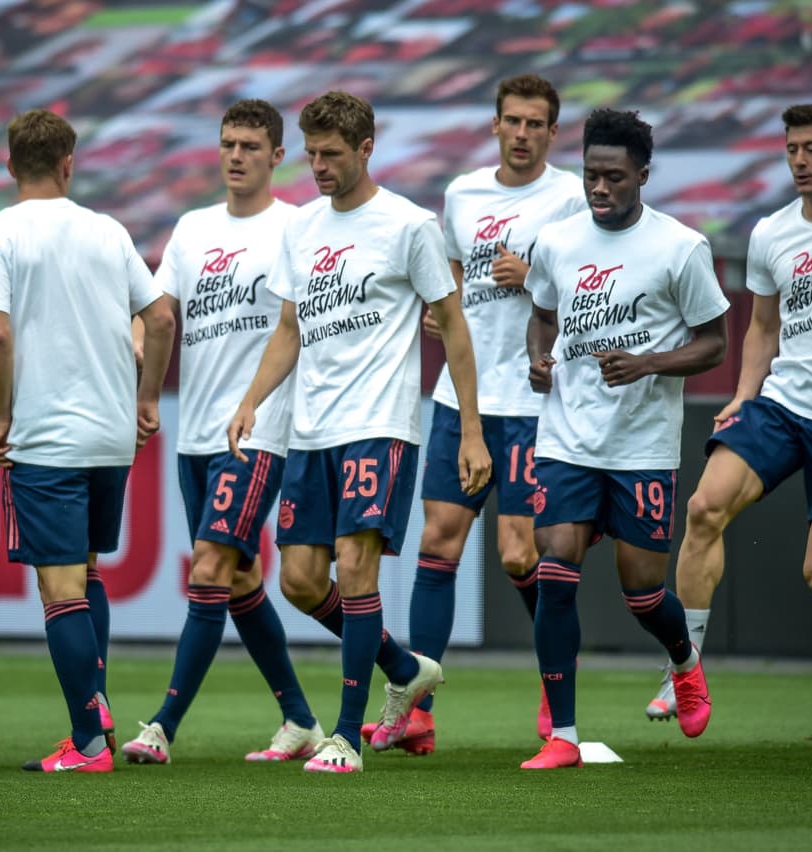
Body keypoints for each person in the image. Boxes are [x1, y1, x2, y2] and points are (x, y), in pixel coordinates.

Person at [228, 90, 492, 773]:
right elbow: (290, 329)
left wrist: (469, 429)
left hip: (380, 422)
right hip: (310, 429)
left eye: (331, 155)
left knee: (356, 563)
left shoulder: (409, 226)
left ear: (366, 149)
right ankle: (402, 666)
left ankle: (346, 736)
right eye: (311, 154)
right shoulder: (303, 227)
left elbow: (454, 328)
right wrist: (253, 399)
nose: (317, 166)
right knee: (301, 580)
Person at [645, 105, 812, 737]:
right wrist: (741, 394)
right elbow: (762, 327)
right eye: (791, 149)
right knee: (704, 508)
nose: (800, 161)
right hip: (782, 405)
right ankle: (687, 666)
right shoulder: (771, 233)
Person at [360, 74, 586, 755]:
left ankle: (556, 679)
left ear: (552, 131)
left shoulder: (573, 196)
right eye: (512, 121)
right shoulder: (462, 193)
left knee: (521, 554)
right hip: (464, 399)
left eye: (535, 124)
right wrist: (442, 310)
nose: (522, 133)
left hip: (530, 400)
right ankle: (417, 708)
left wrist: (537, 277)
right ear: (495, 125)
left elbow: (594, 289)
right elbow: (453, 279)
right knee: (439, 541)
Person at [0, 109, 174, 773]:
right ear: (68, 164)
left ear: (8, 166)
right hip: (110, 434)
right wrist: (146, 397)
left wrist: (1, 416)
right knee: (85, 574)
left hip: (46, 435)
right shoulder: (107, 231)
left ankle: (87, 737)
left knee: (59, 591)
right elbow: (161, 315)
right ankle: (95, 711)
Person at [523, 108, 729, 769]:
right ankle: (564, 735)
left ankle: (683, 660)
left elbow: (714, 345)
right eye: (590, 175)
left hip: (640, 444)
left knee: (642, 593)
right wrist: (538, 357)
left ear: (642, 175)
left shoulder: (680, 248)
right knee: (554, 571)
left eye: (613, 176)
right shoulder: (556, 243)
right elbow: (541, 316)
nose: (599, 188)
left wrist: (645, 363)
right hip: (566, 439)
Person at [121, 100, 323, 766]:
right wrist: (136, 383)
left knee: (208, 568)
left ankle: (162, 726)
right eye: (227, 143)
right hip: (194, 437)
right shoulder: (192, 229)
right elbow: (156, 315)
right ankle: (307, 715)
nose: (235, 155)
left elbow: (306, 326)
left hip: (258, 432)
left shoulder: (297, 228)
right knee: (236, 580)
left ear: (276, 157)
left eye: (249, 145)